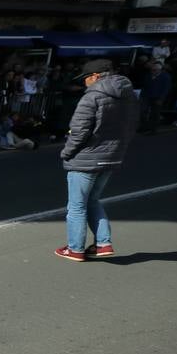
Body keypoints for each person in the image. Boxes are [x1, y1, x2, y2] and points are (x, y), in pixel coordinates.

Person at [55, 59, 138, 261]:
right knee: (93, 200)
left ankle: (75, 249)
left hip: (86, 157)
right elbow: (133, 126)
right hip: (112, 156)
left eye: (85, 78)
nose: (84, 82)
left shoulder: (91, 97)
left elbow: (79, 131)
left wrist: (66, 152)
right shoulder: (129, 96)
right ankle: (103, 243)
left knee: (76, 206)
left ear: (95, 76)